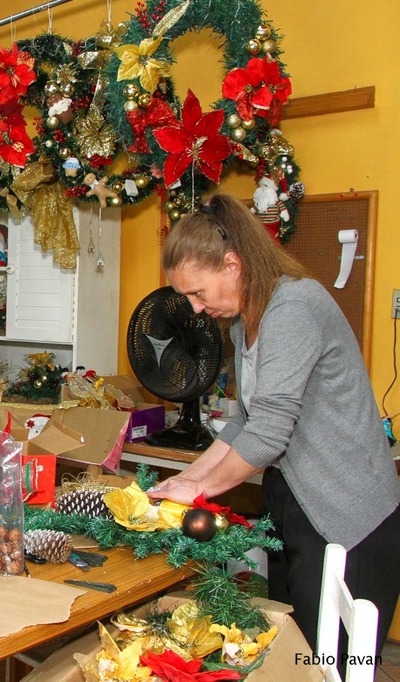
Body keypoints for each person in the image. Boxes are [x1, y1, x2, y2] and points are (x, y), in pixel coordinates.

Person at [147, 193, 400, 662]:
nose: (196, 309)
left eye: (198, 293)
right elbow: (244, 419)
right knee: (293, 656)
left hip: (348, 511)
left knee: (334, 664)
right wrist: (189, 480)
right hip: (296, 501)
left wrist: (200, 491)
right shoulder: (249, 322)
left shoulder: (294, 308)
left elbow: (269, 431)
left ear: (232, 264)